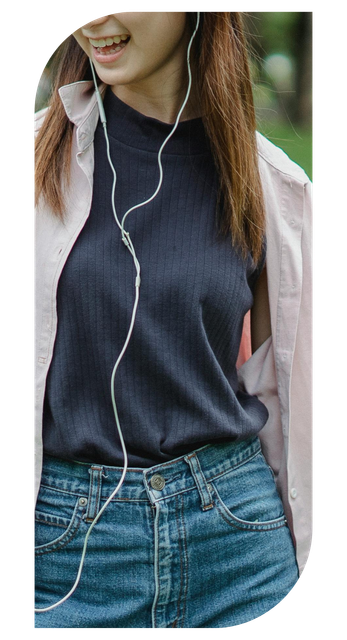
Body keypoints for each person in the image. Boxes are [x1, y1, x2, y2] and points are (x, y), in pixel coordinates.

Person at [33, 10, 313, 630]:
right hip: (66, 552)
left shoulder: (277, 191)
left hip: (237, 542)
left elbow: (287, 396)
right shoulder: (36, 164)